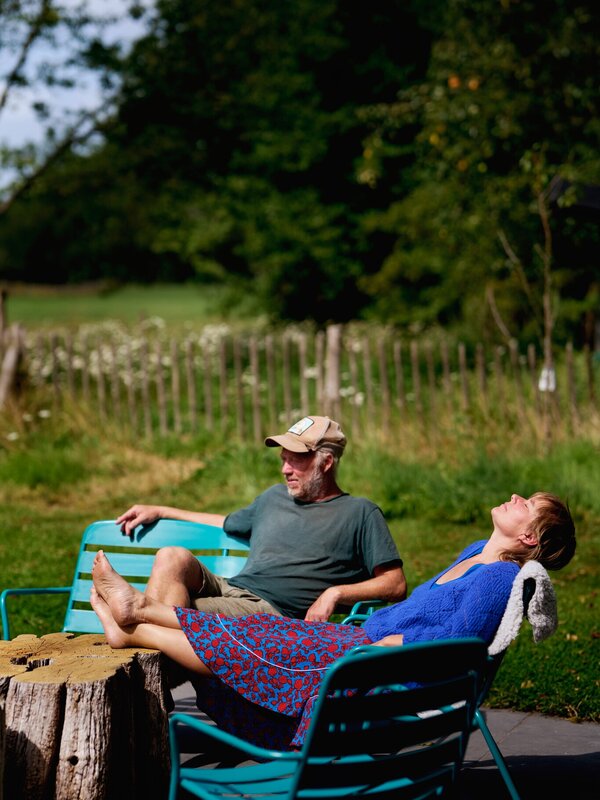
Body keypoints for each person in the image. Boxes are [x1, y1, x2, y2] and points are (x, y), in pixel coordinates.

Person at [91, 490, 575, 750]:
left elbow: (455, 647)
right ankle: (131, 625)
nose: (515, 497)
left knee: (254, 640)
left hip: (368, 668)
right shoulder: (476, 555)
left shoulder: (497, 580)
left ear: (530, 537)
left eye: (526, 504)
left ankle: (136, 618)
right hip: (356, 646)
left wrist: (393, 646)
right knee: (259, 632)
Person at [116, 415, 406, 621]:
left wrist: (334, 593)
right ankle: (139, 616)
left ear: (326, 462)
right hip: (232, 588)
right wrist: (163, 510)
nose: (285, 469)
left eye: (296, 459)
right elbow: (225, 522)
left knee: (176, 610)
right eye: (283, 458)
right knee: (171, 557)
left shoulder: (360, 513)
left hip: (269, 611)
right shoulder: (273, 497)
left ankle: (134, 615)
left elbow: (395, 584)